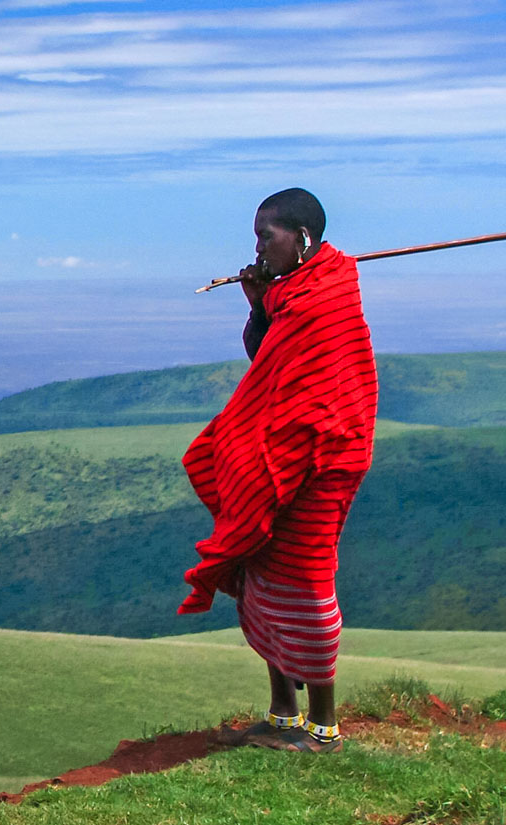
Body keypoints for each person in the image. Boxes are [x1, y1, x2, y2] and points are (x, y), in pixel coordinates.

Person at [178, 188, 379, 754]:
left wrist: (272, 301)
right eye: (257, 236)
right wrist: (258, 303)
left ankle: (323, 725)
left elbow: (320, 389)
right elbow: (270, 364)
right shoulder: (293, 293)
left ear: (303, 238)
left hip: (324, 457)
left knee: (305, 575)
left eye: (268, 236)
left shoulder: (325, 296)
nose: (260, 246)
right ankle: (282, 715)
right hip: (286, 448)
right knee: (259, 564)